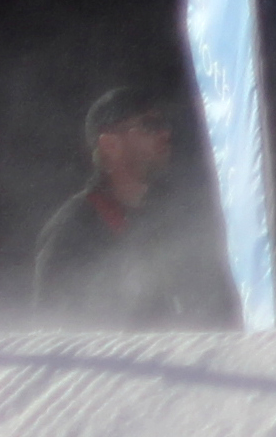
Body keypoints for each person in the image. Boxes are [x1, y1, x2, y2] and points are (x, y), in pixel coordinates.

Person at [31, 84, 224, 328]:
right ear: (110, 145)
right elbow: (54, 334)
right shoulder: (73, 229)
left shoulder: (165, 222)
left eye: (164, 124)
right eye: (148, 125)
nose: (164, 133)